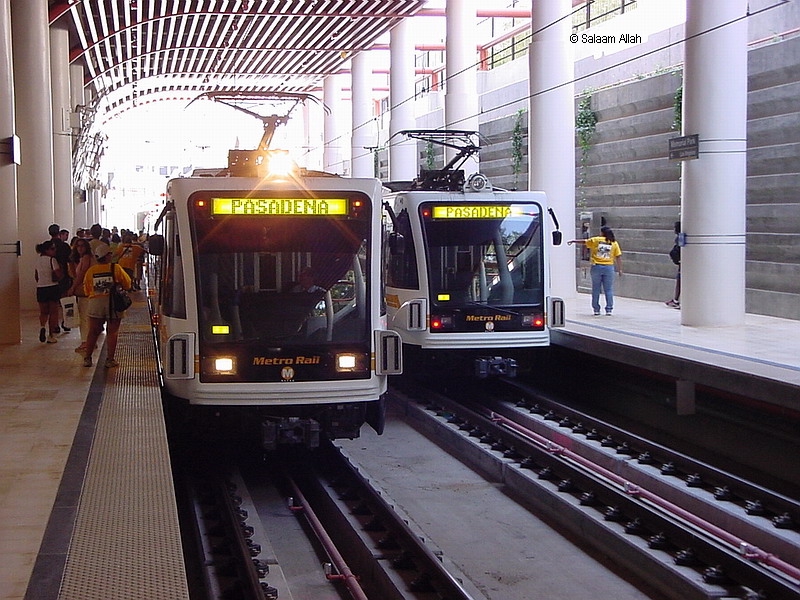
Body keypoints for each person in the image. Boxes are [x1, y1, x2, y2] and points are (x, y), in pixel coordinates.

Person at [82, 243, 132, 368]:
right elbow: (127, 284)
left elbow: (86, 289)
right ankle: (110, 360)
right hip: (113, 304)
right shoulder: (116, 268)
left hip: (95, 304)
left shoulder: (91, 271)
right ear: (108, 256)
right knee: (112, 332)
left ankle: (87, 358)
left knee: (93, 332)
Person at [568, 225, 623, 315]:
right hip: (609, 267)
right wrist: (620, 269)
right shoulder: (614, 243)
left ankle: (596, 309)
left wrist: (573, 241)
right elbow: (618, 257)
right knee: (608, 289)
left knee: (596, 289)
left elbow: (584, 242)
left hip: (596, 266)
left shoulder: (596, 240)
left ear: (602, 233)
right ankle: (609, 309)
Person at [68, 238, 94, 353]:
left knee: (84, 317)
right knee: (87, 316)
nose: (80, 248)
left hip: (85, 291)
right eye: (78, 246)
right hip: (88, 290)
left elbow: (82, 274)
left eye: (82, 246)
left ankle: (85, 342)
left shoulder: (86, 258)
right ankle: (89, 341)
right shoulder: (83, 258)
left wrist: (73, 287)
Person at [34, 240, 62, 343]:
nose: (55, 250)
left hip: (41, 288)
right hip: (52, 287)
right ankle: (51, 335)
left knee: (43, 312)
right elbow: (58, 274)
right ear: (47, 250)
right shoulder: (52, 260)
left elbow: (36, 276)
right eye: (52, 249)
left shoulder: (38, 260)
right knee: (53, 312)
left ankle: (42, 327)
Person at [666, 221, 681, 309]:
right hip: (682, 262)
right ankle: (676, 300)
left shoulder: (679, 238)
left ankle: (676, 300)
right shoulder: (680, 237)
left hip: (682, 263)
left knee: (680, 281)